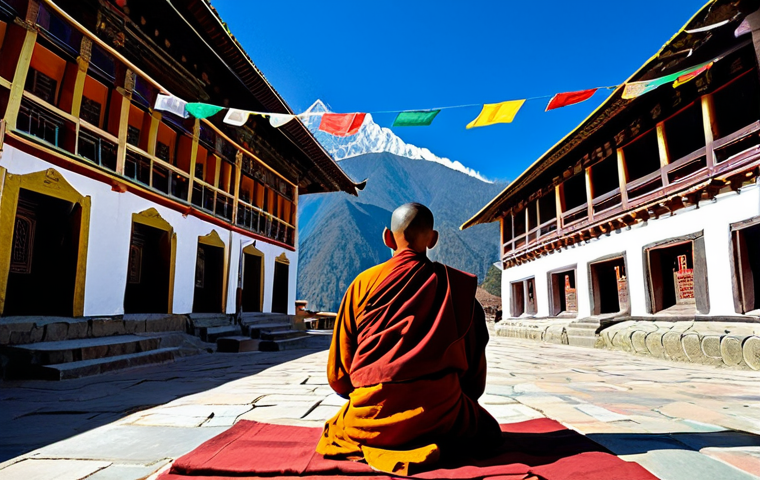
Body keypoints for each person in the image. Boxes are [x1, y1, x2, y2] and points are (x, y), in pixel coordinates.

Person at [316, 203, 501, 475]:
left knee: (335, 432)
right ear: (433, 239)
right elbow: (474, 378)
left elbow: (338, 375)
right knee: (487, 432)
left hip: (370, 416)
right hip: (443, 414)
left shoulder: (361, 285)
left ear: (388, 238)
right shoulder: (456, 289)